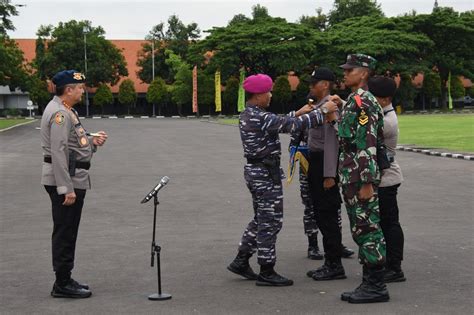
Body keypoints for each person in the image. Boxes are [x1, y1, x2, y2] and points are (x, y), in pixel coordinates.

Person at [227, 74, 338, 286]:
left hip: (257, 171)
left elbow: (280, 121)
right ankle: (267, 270)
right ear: (258, 95)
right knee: (271, 221)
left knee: (261, 218)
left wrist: (296, 113)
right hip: (265, 173)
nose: (270, 95)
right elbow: (289, 126)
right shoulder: (261, 116)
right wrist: (325, 109)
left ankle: (241, 259)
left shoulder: (250, 114)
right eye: (268, 92)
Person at [41, 70, 108, 298]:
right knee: (65, 232)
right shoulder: (60, 113)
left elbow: (74, 144)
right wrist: (65, 188)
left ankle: (65, 278)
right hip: (67, 180)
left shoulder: (66, 110)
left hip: (73, 176)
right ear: (68, 89)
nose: (82, 91)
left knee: (68, 231)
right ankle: (62, 283)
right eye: (79, 88)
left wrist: (92, 142)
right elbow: (58, 152)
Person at [329, 54, 390, 303]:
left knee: (368, 229)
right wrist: (342, 107)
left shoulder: (363, 104)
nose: (345, 74)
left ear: (363, 73)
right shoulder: (355, 101)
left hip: (359, 177)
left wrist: (366, 182)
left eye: (349, 70)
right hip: (351, 175)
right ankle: (369, 283)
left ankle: (376, 286)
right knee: (360, 228)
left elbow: (367, 142)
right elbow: (351, 133)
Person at [304, 67, 354, 282]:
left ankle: (334, 264)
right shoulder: (319, 106)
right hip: (317, 162)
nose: (310, 87)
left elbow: (332, 142)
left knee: (327, 215)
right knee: (322, 214)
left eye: (314, 83)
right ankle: (331, 262)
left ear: (324, 84)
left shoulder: (329, 107)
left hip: (325, 163)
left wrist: (328, 175)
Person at [368, 76, 406, 283]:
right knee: (384, 223)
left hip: (386, 179)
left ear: (383, 99)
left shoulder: (387, 121)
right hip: (381, 177)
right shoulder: (381, 113)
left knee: (390, 223)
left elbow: (362, 133)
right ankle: (388, 264)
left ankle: (395, 267)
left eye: (373, 96)